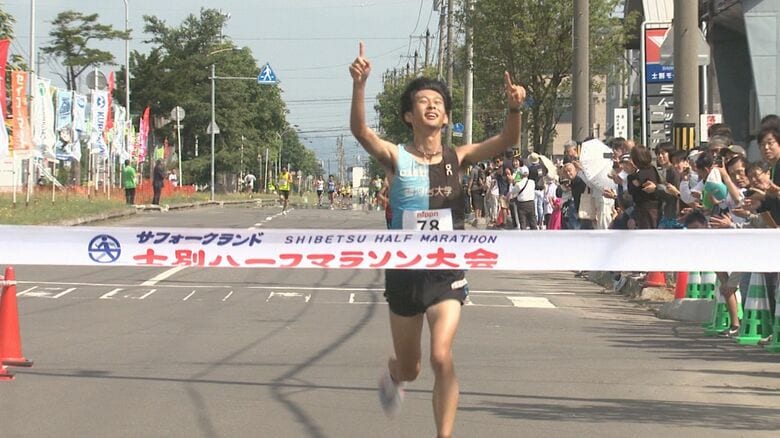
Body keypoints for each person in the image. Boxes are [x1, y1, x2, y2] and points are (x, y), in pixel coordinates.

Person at [350, 41, 525, 436]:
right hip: (404, 273)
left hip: (446, 272)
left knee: (442, 356)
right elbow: (360, 131)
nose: (431, 106)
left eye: (437, 103)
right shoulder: (396, 157)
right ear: (409, 116)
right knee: (412, 367)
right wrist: (360, 85)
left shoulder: (457, 158)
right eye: (422, 102)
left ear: (446, 117)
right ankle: (394, 373)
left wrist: (515, 108)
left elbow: (505, 141)